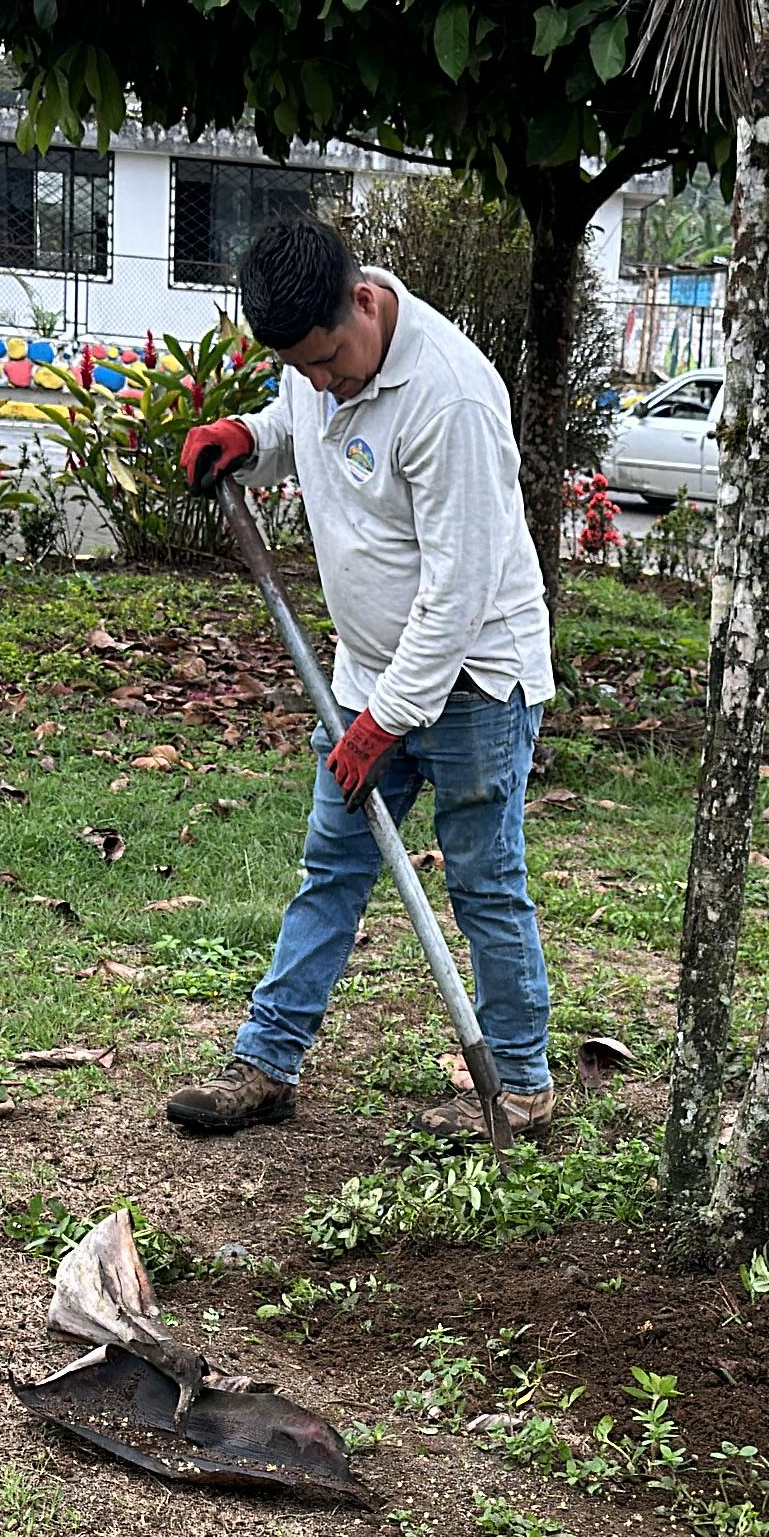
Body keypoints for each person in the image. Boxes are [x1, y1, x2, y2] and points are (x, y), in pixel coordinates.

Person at [168, 216, 555, 1137]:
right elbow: (298, 431)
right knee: (331, 868)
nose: (320, 384)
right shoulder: (320, 361)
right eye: (299, 369)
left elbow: (458, 595)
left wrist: (386, 720)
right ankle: (267, 1063)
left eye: (329, 362)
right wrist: (246, 439)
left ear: (366, 302)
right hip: (367, 676)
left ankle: (522, 1087)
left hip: (474, 683)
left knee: (484, 883)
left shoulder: (452, 400)